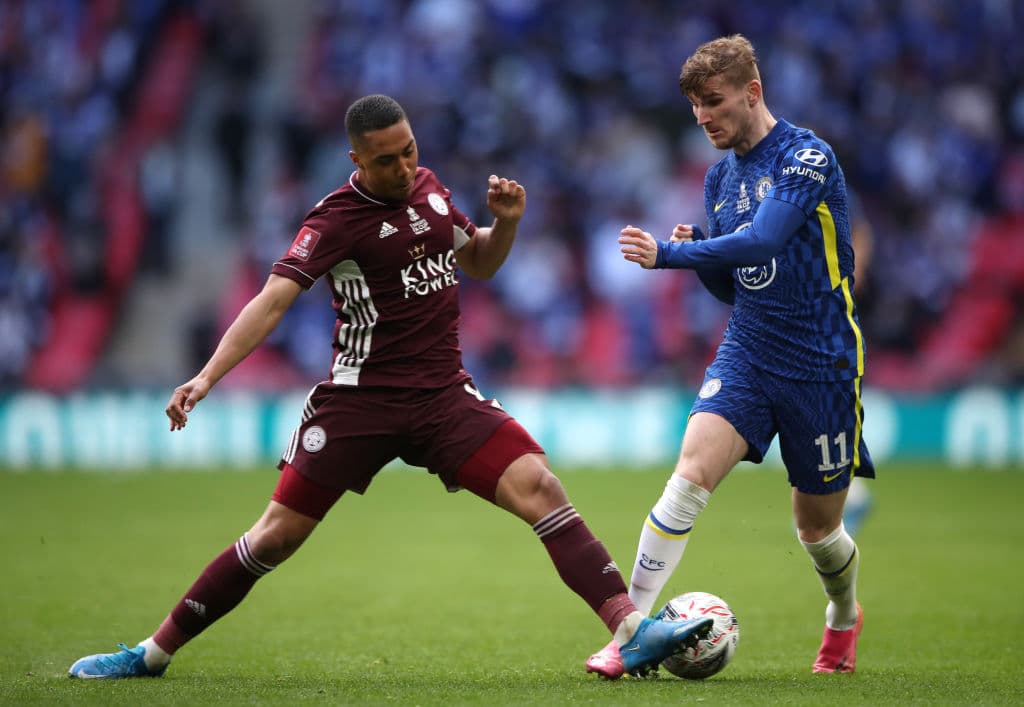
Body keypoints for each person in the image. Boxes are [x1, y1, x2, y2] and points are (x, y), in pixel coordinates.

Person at [67, 94, 711, 680]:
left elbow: (478, 260)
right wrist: (206, 376)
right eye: (385, 160)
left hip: (442, 396)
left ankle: (632, 631)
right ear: (355, 159)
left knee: (540, 487)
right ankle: (150, 654)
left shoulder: (431, 191)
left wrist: (506, 224)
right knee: (274, 537)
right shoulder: (333, 222)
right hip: (359, 402)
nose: (403, 168)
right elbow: (270, 303)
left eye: (409, 151)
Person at [585, 35, 874, 679]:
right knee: (689, 474)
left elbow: (766, 237)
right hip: (749, 347)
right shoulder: (720, 177)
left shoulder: (806, 156)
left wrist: (673, 254)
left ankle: (843, 616)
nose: (703, 118)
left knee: (818, 532)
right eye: (694, 108)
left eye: (713, 102)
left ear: (753, 92)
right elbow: (735, 283)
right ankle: (630, 632)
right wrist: (702, 256)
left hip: (822, 361)